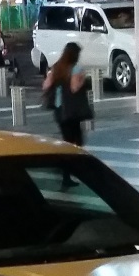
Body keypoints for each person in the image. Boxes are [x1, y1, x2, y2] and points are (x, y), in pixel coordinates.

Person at [42, 42, 91, 189]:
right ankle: (65, 171)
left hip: (59, 109)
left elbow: (45, 85)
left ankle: (65, 173)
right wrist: (82, 78)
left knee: (68, 141)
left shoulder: (56, 67)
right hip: (72, 110)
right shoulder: (76, 68)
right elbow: (75, 88)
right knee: (75, 142)